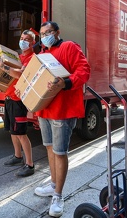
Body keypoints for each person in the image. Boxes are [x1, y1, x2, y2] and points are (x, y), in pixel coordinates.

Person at [33, 21, 90, 217]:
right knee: (49, 148)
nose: (45, 36)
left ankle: (58, 195)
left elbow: (84, 71)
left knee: (59, 152)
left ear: (57, 32)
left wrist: (66, 82)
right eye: (42, 34)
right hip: (45, 110)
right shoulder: (41, 55)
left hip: (63, 111)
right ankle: (53, 184)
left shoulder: (69, 47)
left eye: (48, 32)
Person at [0, 30, 36, 177]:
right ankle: (18, 157)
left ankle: (29, 164)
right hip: (9, 98)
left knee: (21, 133)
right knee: (13, 131)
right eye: (22, 38)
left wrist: (0, 65)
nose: (23, 41)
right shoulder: (20, 57)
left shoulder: (32, 59)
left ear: (33, 42)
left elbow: (19, 74)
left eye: (27, 39)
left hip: (19, 101)